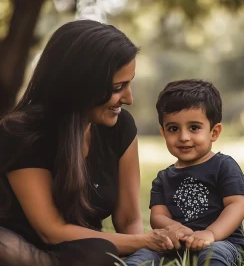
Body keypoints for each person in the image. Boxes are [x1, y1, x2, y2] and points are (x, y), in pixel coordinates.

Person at [0, 20, 177, 266]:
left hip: (82, 250)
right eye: (118, 87)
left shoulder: (121, 127)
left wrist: (142, 252)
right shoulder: (22, 133)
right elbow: (51, 231)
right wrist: (145, 242)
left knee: (99, 252)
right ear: (81, 85)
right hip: (23, 245)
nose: (129, 98)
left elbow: (128, 222)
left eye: (129, 83)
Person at [127, 79, 244, 266]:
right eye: (173, 129)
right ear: (163, 133)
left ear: (214, 132)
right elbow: (158, 216)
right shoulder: (163, 178)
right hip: (176, 247)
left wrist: (210, 234)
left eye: (194, 128)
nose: (184, 137)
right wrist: (176, 228)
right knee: (144, 254)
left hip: (222, 242)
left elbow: (237, 206)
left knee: (214, 255)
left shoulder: (224, 166)